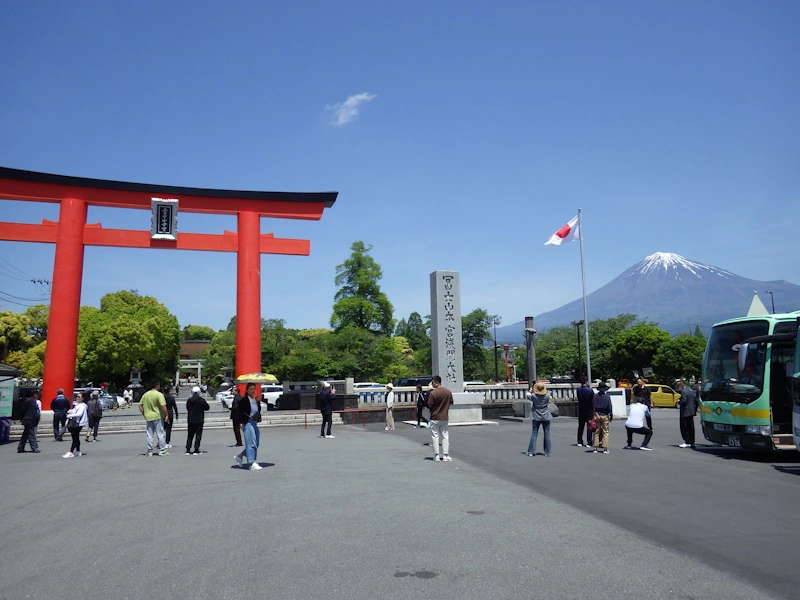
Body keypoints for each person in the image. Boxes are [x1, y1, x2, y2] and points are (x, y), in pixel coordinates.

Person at [234, 383, 263, 471]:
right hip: (247, 422)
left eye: (254, 389)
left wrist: (258, 402)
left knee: (256, 442)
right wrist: (241, 422)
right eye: (250, 389)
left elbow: (257, 411)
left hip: (254, 422)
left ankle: (240, 456)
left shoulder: (255, 399)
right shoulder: (244, 400)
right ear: (247, 390)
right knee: (251, 442)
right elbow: (238, 411)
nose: (252, 390)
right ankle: (251, 463)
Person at [138, 380, 169, 457]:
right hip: (157, 416)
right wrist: (166, 415)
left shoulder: (146, 395)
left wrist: (144, 413)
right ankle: (162, 450)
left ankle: (149, 451)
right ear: (157, 386)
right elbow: (163, 406)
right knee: (160, 433)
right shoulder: (159, 395)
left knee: (149, 434)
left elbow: (140, 405)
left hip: (148, 416)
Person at [426, 376, 454, 462]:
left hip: (435, 417)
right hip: (444, 416)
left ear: (436, 382)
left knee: (435, 436)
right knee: (445, 436)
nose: (432, 384)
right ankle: (445, 455)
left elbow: (429, 404)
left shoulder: (433, 393)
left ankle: (437, 455)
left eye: (433, 382)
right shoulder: (448, 392)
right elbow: (451, 402)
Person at [526, 382, 552, 457]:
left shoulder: (534, 396)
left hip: (536, 415)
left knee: (534, 434)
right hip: (546, 415)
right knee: (547, 434)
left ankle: (531, 451)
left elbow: (527, 395)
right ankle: (547, 452)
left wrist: (530, 390)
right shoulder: (547, 396)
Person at [185, 385, 210, 455]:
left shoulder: (189, 400)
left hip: (191, 419)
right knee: (198, 435)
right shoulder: (201, 400)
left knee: (190, 435)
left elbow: (188, 408)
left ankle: (188, 449)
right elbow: (207, 408)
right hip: (199, 419)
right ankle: (196, 449)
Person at [63, 392, 88, 458]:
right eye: (77, 396)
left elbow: (79, 414)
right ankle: (78, 451)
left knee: (74, 437)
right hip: (77, 422)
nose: (77, 398)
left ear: (83, 398)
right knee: (76, 437)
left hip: (78, 423)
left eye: (79, 397)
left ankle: (71, 451)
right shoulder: (78, 405)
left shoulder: (82, 406)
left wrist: (70, 415)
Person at [592, 382, 614, 454]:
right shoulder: (607, 397)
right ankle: (605, 448)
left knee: (597, 431)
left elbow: (593, 405)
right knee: (605, 431)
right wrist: (611, 415)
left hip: (597, 414)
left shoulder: (595, 396)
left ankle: (595, 447)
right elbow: (609, 406)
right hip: (604, 415)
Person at [676, 380, 698, 448]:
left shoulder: (683, 391)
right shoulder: (690, 390)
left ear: (682, 385)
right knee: (691, 427)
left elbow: (684, 400)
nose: (678, 387)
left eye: (678, 385)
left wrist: (679, 401)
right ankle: (692, 442)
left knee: (684, 427)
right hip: (691, 411)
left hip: (685, 411)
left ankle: (687, 441)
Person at [575, 378, 594, 447]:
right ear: (586, 382)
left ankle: (579, 441)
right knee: (589, 427)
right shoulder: (590, 390)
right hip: (589, 410)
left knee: (580, 426)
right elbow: (592, 400)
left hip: (581, 410)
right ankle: (589, 442)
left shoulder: (578, 390)